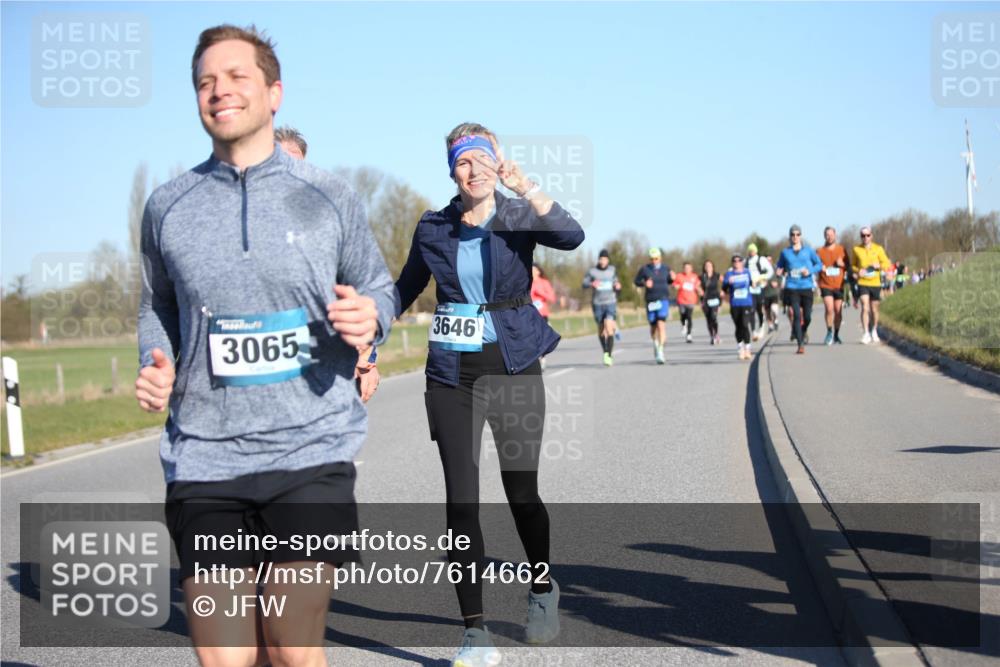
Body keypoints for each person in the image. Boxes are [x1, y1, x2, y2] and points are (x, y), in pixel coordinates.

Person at [136, 25, 395, 667]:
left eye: (235, 76)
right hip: (204, 459)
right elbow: (156, 305)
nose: (218, 90)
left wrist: (373, 318)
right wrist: (155, 359)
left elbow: (378, 285)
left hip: (310, 450)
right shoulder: (167, 205)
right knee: (225, 658)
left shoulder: (328, 194)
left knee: (289, 647)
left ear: (273, 92)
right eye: (205, 81)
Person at [393, 122, 584, 666]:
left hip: (516, 363)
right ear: (451, 170)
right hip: (452, 375)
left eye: (481, 158)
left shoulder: (518, 215)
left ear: (495, 163)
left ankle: (543, 588)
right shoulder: (433, 228)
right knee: (462, 500)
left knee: (522, 492)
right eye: (461, 161)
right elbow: (405, 288)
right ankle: (474, 632)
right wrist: (365, 334)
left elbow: (571, 237)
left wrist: (527, 188)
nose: (472, 170)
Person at [276, 125, 381, 402]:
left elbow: (364, 290)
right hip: (257, 382)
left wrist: (367, 357)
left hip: (322, 371)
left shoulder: (328, 226)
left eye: (296, 166)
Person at [775, 224, 823, 355]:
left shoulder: (808, 251)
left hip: (807, 286)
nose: (795, 237)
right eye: (792, 234)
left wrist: (810, 271)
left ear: (800, 236)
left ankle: (802, 330)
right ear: (789, 237)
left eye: (797, 234)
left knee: (807, 317)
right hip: (792, 287)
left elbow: (819, 264)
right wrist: (778, 272)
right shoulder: (785, 253)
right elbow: (779, 266)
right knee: (796, 315)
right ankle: (800, 344)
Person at [634, 247, 675, 364]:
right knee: (653, 327)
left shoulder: (666, 268)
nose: (654, 261)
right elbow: (636, 281)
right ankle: (655, 343)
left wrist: (672, 278)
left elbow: (670, 281)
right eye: (652, 259)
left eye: (656, 258)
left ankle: (661, 350)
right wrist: (644, 283)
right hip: (651, 301)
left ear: (660, 258)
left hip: (663, 300)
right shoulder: (644, 269)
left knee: (661, 324)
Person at [851, 226, 891, 345]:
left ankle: (874, 330)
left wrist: (879, 265)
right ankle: (866, 333)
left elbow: (886, 263)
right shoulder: (856, 249)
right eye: (863, 235)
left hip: (875, 282)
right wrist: (858, 271)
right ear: (860, 237)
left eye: (867, 235)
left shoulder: (878, 249)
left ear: (871, 236)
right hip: (863, 282)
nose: (865, 237)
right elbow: (853, 265)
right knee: (864, 306)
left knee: (874, 309)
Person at [582, 249, 621, 365]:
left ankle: (608, 354)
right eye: (601, 259)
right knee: (600, 329)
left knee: (608, 327)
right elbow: (584, 284)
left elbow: (616, 283)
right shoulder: (592, 271)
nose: (602, 261)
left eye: (604, 259)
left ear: (608, 260)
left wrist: (617, 286)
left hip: (610, 302)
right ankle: (605, 350)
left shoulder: (612, 270)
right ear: (598, 260)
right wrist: (591, 284)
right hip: (597, 303)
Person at [816, 226, 849, 345]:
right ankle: (829, 331)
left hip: (839, 285)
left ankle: (836, 334)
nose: (829, 237)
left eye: (831, 234)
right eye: (827, 235)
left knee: (838, 311)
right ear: (824, 236)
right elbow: (815, 265)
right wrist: (820, 267)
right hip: (825, 284)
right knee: (829, 309)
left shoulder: (841, 249)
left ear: (835, 235)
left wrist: (842, 264)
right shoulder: (819, 251)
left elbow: (848, 266)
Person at [722, 254, 755, 360]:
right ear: (732, 263)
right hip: (735, 304)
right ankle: (740, 347)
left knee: (745, 325)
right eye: (734, 261)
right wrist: (728, 283)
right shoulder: (729, 274)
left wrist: (754, 283)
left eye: (739, 260)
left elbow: (752, 283)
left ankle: (748, 348)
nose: (737, 262)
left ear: (742, 262)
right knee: (738, 327)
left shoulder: (747, 272)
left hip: (746, 303)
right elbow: (724, 288)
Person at [746, 243, 774, 341]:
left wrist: (761, 278)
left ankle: (762, 327)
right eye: (750, 251)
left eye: (753, 250)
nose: (751, 252)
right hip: (750, 290)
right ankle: (753, 331)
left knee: (760, 310)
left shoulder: (761, 260)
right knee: (751, 310)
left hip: (760, 288)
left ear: (756, 251)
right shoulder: (746, 261)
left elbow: (770, 271)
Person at [532, 264, 558, 368]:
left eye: (534, 269)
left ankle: (542, 358)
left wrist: (541, 293)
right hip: (530, 314)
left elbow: (552, 298)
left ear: (539, 271)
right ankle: (536, 358)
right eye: (530, 269)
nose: (532, 271)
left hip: (542, 314)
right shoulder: (526, 282)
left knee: (541, 337)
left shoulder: (544, 283)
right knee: (532, 338)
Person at [672, 261, 702, 343]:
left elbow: (697, 286)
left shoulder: (694, 276)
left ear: (691, 268)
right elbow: (674, 285)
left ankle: (689, 335)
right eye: (685, 268)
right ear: (683, 269)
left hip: (691, 300)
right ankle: (683, 324)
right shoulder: (679, 276)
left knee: (689, 316)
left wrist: (700, 291)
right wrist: (676, 286)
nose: (687, 269)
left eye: (688, 268)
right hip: (681, 300)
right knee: (682, 315)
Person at [700, 259, 722, 345]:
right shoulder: (702, 277)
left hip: (715, 299)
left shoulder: (716, 275)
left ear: (712, 267)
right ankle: (712, 336)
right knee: (708, 319)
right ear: (704, 268)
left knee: (714, 317)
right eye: (706, 266)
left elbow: (725, 282)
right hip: (705, 300)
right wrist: (699, 290)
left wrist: (723, 290)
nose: (708, 267)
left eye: (709, 266)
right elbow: (696, 285)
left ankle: (716, 334)